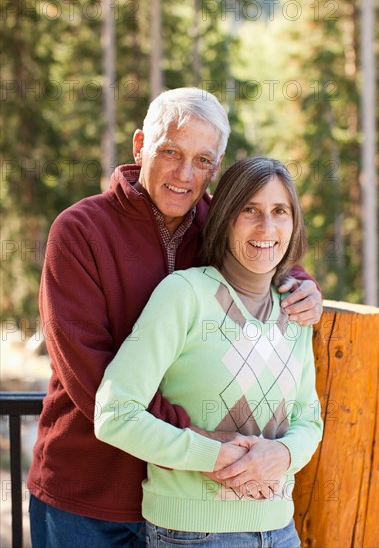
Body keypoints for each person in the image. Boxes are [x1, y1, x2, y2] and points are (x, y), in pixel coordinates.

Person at [28, 88, 323, 548]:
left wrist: (302, 283)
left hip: (186, 499)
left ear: (215, 166)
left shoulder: (216, 223)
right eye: (170, 152)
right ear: (140, 144)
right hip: (90, 493)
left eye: (202, 160)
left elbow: (265, 246)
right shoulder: (80, 231)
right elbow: (90, 376)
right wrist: (204, 442)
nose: (185, 175)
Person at [95, 156, 323, 548]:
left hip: (281, 530)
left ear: (293, 223)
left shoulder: (294, 309)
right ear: (224, 219)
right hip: (192, 534)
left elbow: (310, 419)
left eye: (279, 211)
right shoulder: (184, 295)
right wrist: (210, 455)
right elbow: (115, 414)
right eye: (249, 210)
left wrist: (282, 455)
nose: (266, 226)